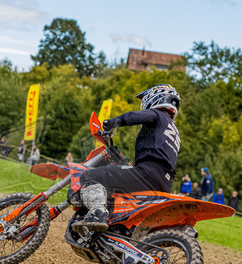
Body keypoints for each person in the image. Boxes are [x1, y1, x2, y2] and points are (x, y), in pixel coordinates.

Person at [72, 84, 181, 232]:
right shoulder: (173, 130)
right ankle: (113, 228)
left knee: (89, 176)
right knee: (113, 192)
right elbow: (157, 154)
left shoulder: (158, 115)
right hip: (164, 183)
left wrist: (111, 123)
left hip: (147, 173)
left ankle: (98, 214)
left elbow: (133, 117)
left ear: (156, 98)